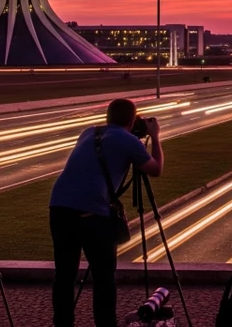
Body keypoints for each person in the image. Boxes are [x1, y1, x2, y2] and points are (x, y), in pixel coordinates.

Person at [49, 98, 163, 327]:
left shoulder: (89, 132)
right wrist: (155, 136)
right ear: (132, 120)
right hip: (92, 214)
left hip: (58, 207)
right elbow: (156, 169)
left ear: (107, 117)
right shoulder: (129, 141)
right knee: (103, 278)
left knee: (64, 276)